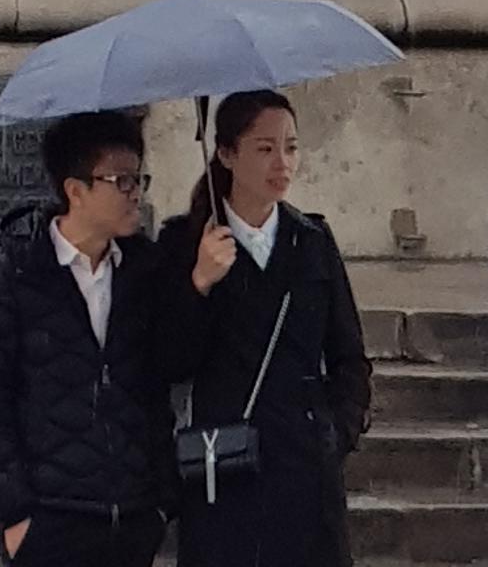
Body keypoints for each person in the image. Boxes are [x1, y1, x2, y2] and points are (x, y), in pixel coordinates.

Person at [150, 89, 372, 567]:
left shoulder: (310, 240)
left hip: (304, 464)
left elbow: (348, 354)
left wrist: (336, 432)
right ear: (227, 154)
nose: (282, 163)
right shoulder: (184, 240)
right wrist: (199, 283)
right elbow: (167, 359)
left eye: (291, 147)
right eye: (265, 148)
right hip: (223, 461)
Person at [0, 108, 172, 566]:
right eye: (121, 181)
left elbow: (160, 383)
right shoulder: (11, 270)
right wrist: (16, 514)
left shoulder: (144, 272)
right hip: (49, 519)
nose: (136, 193)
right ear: (76, 190)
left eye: (139, 179)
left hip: (131, 518)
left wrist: (160, 503)